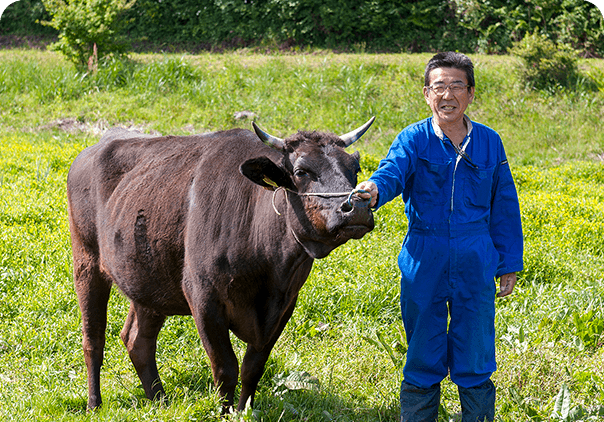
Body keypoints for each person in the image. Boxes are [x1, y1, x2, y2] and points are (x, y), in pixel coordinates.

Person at [356, 52, 523, 421]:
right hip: (424, 254)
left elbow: (505, 204)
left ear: (471, 93)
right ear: (427, 94)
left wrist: (508, 262)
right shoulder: (413, 139)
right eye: (439, 87)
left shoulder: (490, 142)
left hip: (476, 255)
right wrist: (374, 189)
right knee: (422, 348)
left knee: (476, 348)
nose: (448, 95)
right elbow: (391, 172)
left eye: (456, 86)